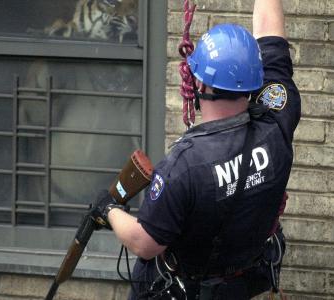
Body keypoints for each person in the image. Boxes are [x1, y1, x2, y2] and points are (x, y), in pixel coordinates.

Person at [90, 0, 300, 298]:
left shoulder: (184, 166)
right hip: (241, 283)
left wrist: (108, 210)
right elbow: (270, 32)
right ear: (256, 77)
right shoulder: (277, 119)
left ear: (201, 84)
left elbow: (146, 243)